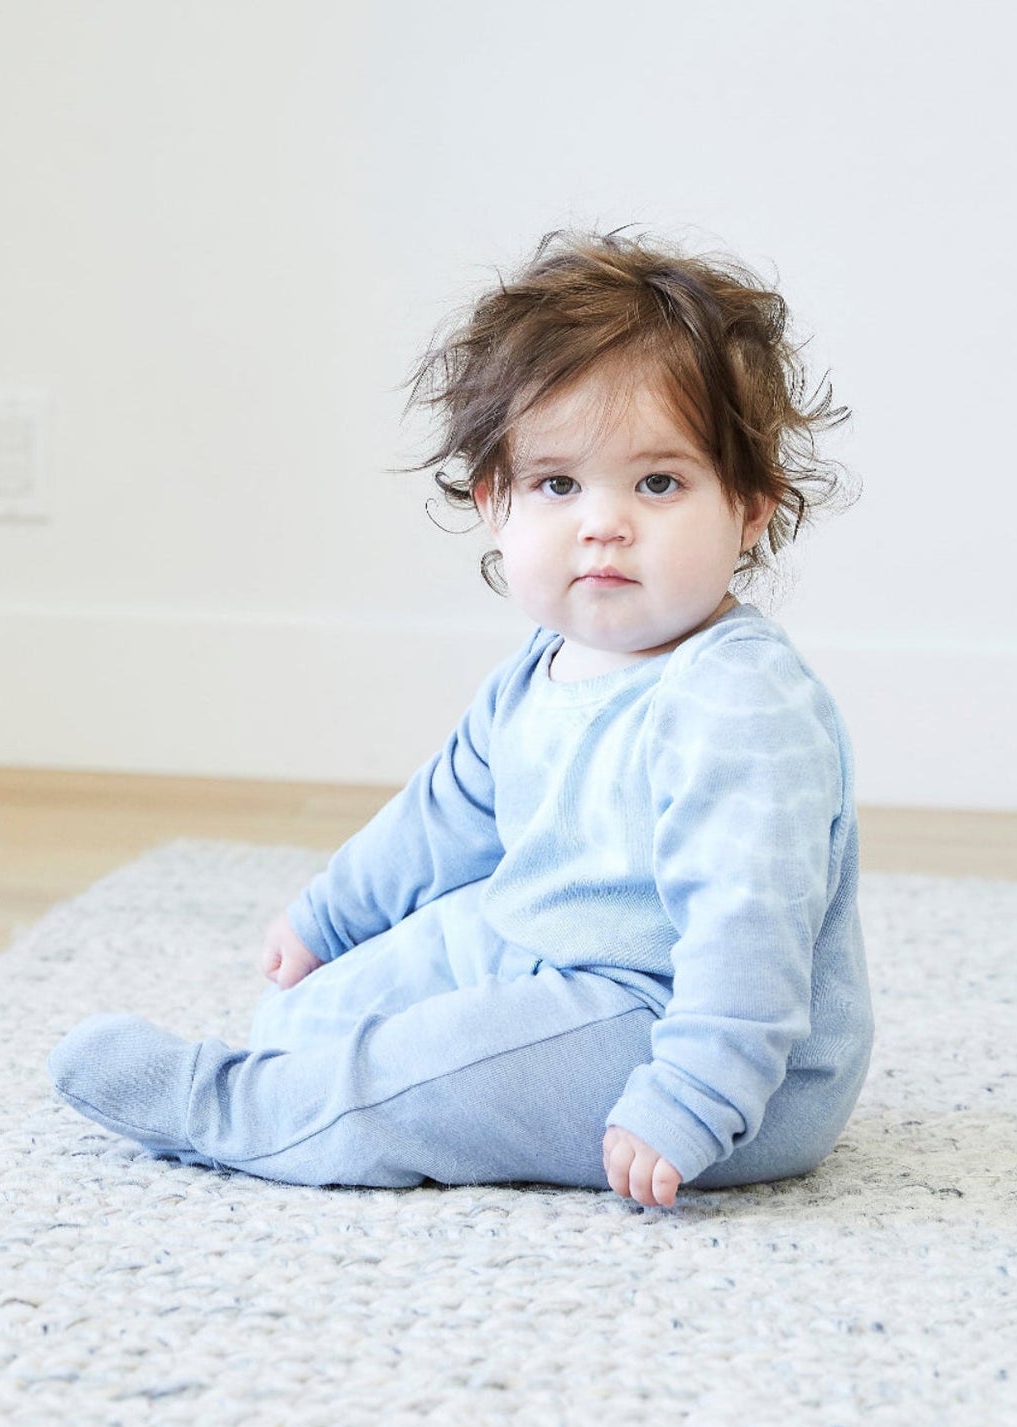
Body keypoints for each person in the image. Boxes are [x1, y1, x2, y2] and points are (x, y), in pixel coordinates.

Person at [48, 228, 873, 1208]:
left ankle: (234, 1110)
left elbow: (750, 926)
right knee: (316, 1007)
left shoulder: (735, 701)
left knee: (429, 1072)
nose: (601, 521)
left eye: (658, 482)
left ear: (746, 509)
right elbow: (443, 813)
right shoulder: (547, 663)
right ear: (496, 505)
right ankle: (291, 1056)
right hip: (539, 940)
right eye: (558, 484)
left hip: (683, 1032)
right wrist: (333, 913)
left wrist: (692, 1094)